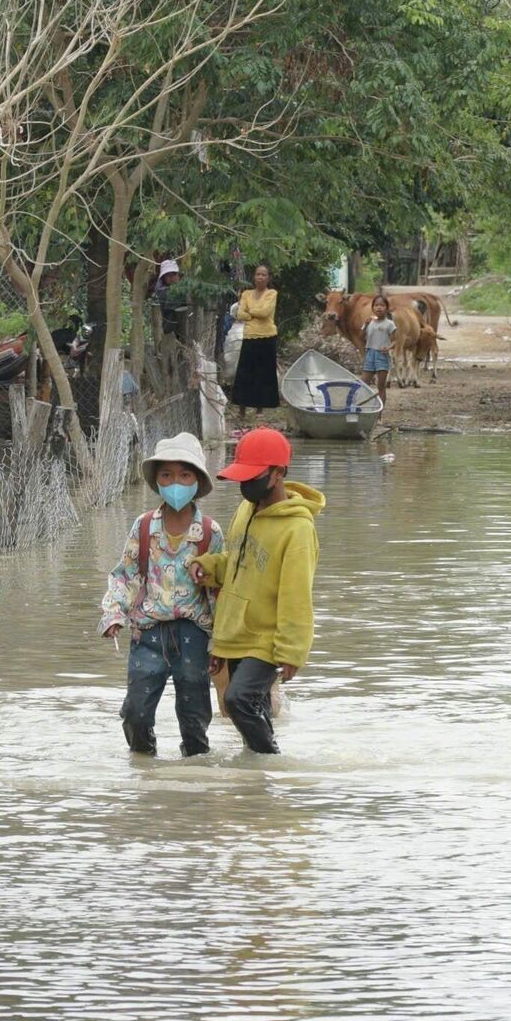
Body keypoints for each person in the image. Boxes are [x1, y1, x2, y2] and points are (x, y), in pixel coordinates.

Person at [190, 427, 324, 754]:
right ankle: (259, 784)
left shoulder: (298, 529)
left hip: (265, 638)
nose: (245, 485)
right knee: (252, 709)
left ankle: (270, 760)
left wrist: (292, 650)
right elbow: (238, 562)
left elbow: (296, 595)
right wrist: (210, 566)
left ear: (278, 474)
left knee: (239, 701)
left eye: (253, 476)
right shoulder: (245, 511)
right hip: (234, 632)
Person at [99, 433, 225, 757]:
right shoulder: (143, 528)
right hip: (148, 633)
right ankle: (144, 772)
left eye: (184, 475)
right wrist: (114, 614)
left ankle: (194, 783)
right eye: (167, 475)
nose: (176, 482)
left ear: (197, 480)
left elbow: (220, 592)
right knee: (136, 713)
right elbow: (125, 575)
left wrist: (222, 643)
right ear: (157, 480)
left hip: (193, 635)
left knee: (195, 719)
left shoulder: (210, 533)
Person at [230, 264, 281, 413]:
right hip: (250, 336)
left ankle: (261, 407)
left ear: (268, 278)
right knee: (245, 372)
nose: (260, 277)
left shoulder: (272, 294)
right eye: (258, 274)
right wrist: (252, 313)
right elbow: (240, 314)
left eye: (263, 275)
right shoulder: (246, 294)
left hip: (267, 336)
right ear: (254, 277)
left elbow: (265, 312)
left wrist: (250, 312)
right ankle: (242, 407)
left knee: (264, 372)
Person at [362, 294, 396, 408]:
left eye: (382, 305)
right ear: (373, 308)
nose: (379, 307)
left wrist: (389, 348)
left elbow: (395, 341)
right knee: (364, 384)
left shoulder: (389, 324)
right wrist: (366, 325)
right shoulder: (369, 322)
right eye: (376, 305)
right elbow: (361, 336)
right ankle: (365, 409)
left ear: (386, 308)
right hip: (369, 354)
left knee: (381, 386)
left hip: (382, 356)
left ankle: (379, 414)